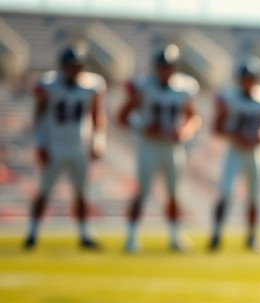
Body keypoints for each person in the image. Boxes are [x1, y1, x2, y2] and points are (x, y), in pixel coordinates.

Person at [118, 44, 202, 253]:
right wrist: (143, 127)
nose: (165, 70)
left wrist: (184, 131)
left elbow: (193, 117)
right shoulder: (143, 86)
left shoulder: (184, 86)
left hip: (173, 146)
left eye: (169, 66)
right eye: (162, 66)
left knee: (174, 193)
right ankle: (132, 236)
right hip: (150, 145)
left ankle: (175, 236)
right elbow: (122, 116)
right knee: (142, 192)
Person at [24, 44, 107, 250]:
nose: (75, 70)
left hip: (79, 146)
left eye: (78, 65)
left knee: (82, 193)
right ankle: (32, 233)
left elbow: (97, 116)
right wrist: (40, 144)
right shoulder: (49, 84)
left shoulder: (92, 85)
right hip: (54, 146)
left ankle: (84, 234)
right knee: (44, 191)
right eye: (71, 65)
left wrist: (98, 141)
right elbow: (39, 115)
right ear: (63, 66)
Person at [208, 56, 260, 252]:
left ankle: (251, 236)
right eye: (245, 77)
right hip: (235, 150)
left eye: (251, 77)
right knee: (225, 193)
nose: (248, 81)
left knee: (255, 197)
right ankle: (216, 234)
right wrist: (236, 136)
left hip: (256, 151)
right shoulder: (228, 97)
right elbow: (216, 127)